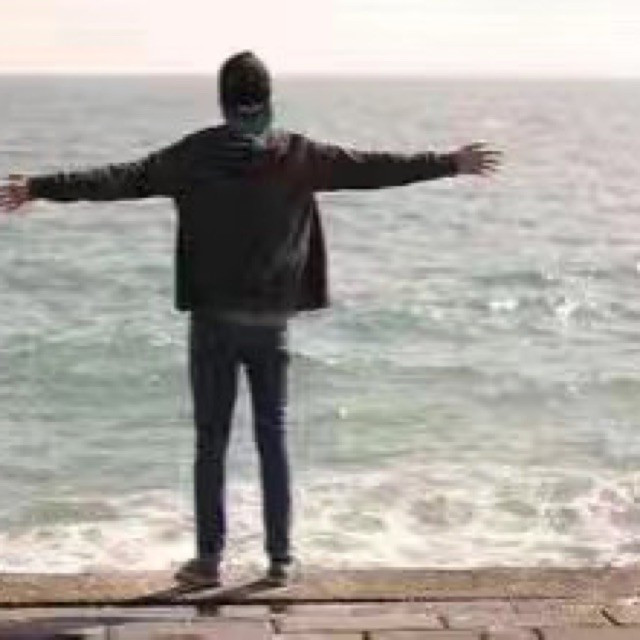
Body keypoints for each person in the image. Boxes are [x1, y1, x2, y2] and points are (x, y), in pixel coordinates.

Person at [0, 51, 501, 587]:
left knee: (211, 442)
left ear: (222, 101)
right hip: (270, 324)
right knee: (272, 437)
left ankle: (208, 561)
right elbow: (375, 167)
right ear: (269, 98)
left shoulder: (194, 155)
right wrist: (450, 162)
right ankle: (280, 559)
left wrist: (39, 187)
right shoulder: (301, 156)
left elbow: (120, 178)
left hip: (213, 322)